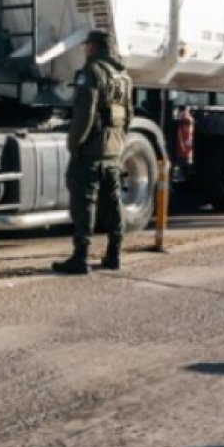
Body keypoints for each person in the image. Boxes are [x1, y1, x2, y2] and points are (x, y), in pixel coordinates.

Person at [53, 29, 133, 275]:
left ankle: (81, 258)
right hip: (114, 150)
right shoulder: (124, 76)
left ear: (93, 47)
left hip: (91, 151)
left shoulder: (92, 71)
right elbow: (128, 115)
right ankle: (114, 255)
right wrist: (118, 141)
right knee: (113, 202)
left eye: (87, 45)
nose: (85, 50)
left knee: (84, 202)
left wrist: (74, 143)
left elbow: (85, 114)